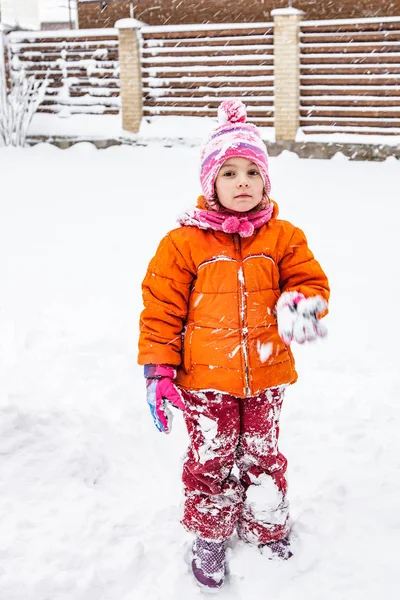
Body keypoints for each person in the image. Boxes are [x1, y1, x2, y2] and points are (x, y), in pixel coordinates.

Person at [138, 99, 330, 591]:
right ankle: (209, 532)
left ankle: (266, 521)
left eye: (252, 172)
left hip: (266, 374)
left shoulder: (283, 236)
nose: (242, 182)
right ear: (210, 183)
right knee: (210, 456)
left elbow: (310, 282)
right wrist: (159, 369)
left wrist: (302, 304)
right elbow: (161, 309)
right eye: (229, 173)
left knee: (264, 452)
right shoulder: (183, 244)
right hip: (204, 381)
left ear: (266, 181)